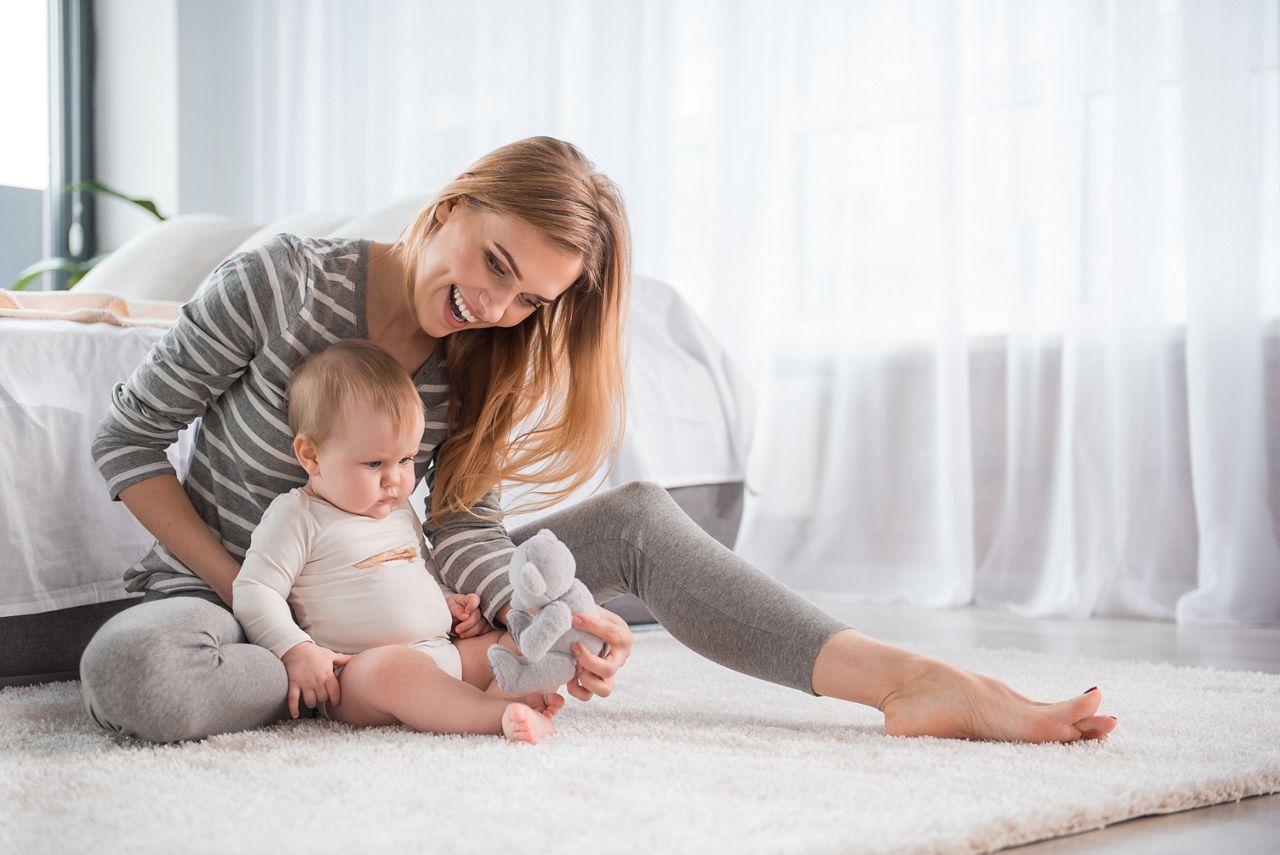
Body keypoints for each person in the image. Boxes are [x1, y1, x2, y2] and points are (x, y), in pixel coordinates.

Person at [81, 135, 1117, 745]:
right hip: (232, 591)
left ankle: (903, 681)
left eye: (525, 297)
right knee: (140, 675)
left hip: (395, 598)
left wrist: (544, 605)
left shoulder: (486, 350)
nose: (491, 304)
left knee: (631, 521)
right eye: (490, 262)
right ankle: (370, 680)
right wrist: (260, 609)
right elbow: (128, 445)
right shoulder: (281, 282)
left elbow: (462, 525)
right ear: (448, 206)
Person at [232, 339, 562, 744]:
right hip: (358, 675)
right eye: (375, 463)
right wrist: (296, 649)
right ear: (311, 456)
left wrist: (447, 601)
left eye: (406, 460)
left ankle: (492, 699)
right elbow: (254, 589)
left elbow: (416, 572)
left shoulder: (397, 509)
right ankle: (495, 715)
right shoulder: (298, 517)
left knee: (520, 637)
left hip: (443, 653)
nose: (396, 479)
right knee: (397, 670)